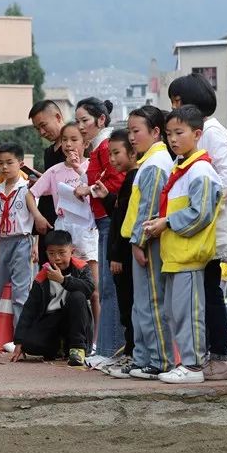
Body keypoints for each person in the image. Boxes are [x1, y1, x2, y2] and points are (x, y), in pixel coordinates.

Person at [168, 73, 227, 377]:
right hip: (206, 227)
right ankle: (224, 351)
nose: (174, 106)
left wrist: (206, 205)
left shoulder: (209, 131)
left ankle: (219, 356)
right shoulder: (202, 130)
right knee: (209, 291)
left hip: (211, 228)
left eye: (178, 101)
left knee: (211, 292)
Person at [142, 106, 222, 384]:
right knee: (177, 312)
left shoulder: (200, 169)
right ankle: (187, 362)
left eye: (179, 133)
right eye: (168, 134)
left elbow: (200, 214)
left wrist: (166, 223)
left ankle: (194, 365)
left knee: (189, 313)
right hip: (175, 253)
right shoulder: (182, 167)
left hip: (189, 254)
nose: (173, 139)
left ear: (197, 134)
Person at [117, 105, 176, 379]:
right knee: (142, 304)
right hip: (140, 242)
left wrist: (139, 241)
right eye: (129, 131)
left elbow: (150, 210)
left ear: (155, 132)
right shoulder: (149, 162)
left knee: (152, 302)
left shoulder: (155, 164)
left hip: (148, 242)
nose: (131, 137)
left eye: (136, 131)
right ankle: (143, 358)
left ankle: (160, 360)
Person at [28, 123, 100, 321]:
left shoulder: (92, 167)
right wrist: (38, 216)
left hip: (86, 229)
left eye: (74, 140)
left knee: (92, 289)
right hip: (63, 229)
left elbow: (98, 193)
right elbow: (31, 194)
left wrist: (80, 172)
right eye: (64, 140)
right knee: (60, 285)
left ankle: (95, 341)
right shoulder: (54, 171)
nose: (68, 145)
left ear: (86, 143)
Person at [73, 97, 124, 367]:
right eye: (78, 121)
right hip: (102, 220)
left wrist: (90, 189)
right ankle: (106, 347)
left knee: (108, 288)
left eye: (85, 121)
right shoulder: (97, 148)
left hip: (109, 220)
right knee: (106, 287)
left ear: (101, 120)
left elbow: (116, 180)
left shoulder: (105, 146)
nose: (81, 127)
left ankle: (110, 348)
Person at [9, 230, 95, 366]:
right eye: (52, 253)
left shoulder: (81, 268)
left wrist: (63, 280)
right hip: (52, 320)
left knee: (77, 296)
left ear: (72, 251)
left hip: (74, 320)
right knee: (29, 344)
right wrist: (19, 341)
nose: (57, 258)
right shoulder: (42, 276)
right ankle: (58, 348)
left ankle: (77, 348)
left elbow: (89, 289)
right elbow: (29, 309)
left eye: (62, 252)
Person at [91, 130, 138, 377]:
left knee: (130, 307)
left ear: (132, 151)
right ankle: (129, 352)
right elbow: (119, 213)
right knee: (125, 305)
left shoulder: (134, 178)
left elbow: (125, 224)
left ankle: (132, 354)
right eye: (109, 154)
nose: (111, 159)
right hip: (120, 255)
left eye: (116, 153)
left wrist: (118, 256)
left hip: (126, 257)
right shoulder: (126, 180)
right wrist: (108, 197)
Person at [0, 143, 35, 330]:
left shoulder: (28, 190)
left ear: (21, 163)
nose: (5, 167)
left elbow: (34, 220)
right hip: (3, 242)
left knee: (20, 290)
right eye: (1, 163)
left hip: (22, 241)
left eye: (9, 162)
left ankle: (19, 335)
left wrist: (35, 246)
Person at [29, 100, 67, 266]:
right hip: (46, 219)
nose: (41, 132)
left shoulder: (74, 149)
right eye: (37, 129)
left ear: (58, 117)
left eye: (43, 125)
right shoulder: (48, 152)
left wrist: (45, 186)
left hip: (66, 222)